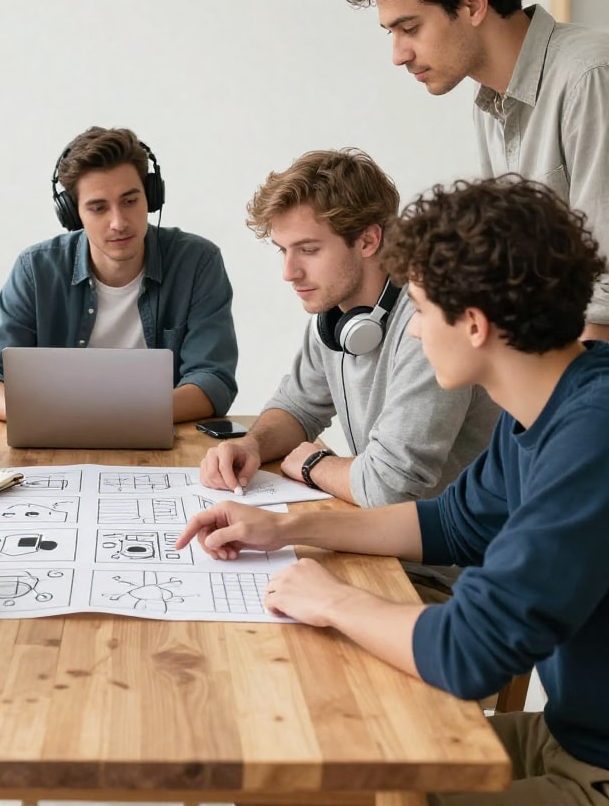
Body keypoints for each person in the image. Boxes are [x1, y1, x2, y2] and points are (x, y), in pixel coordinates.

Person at [178, 176, 609, 805]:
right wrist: (288, 529)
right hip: (568, 736)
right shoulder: (548, 408)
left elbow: (470, 648)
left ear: (474, 324)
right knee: (299, 778)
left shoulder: (590, 439)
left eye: (423, 310)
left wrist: (332, 601)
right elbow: (448, 526)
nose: (411, 332)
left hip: (594, 770)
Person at [200, 150, 498, 598]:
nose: (288, 272)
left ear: (368, 240)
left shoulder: (430, 326)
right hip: (382, 550)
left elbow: (387, 488)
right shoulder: (335, 318)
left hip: (449, 581)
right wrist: (252, 445)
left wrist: (315, 463)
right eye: (283, 250)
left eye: (309, 249)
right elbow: (297, 406)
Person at [343, 0, 609, 342]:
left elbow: (605, 296)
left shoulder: (589, 77)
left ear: (471, 4)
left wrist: (562, 406)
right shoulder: (489, 103)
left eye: (409, 29)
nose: (398, 55)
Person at [0, 127, 239, 423]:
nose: (118, 222)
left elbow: (212, 380)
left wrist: (112, 418)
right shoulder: (36, 269)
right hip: (57, 436)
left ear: (151, 196)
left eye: (130, 201)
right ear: (73, 215)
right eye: (98, 208)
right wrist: (42, 416)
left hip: (158, 439)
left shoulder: (197, 262)